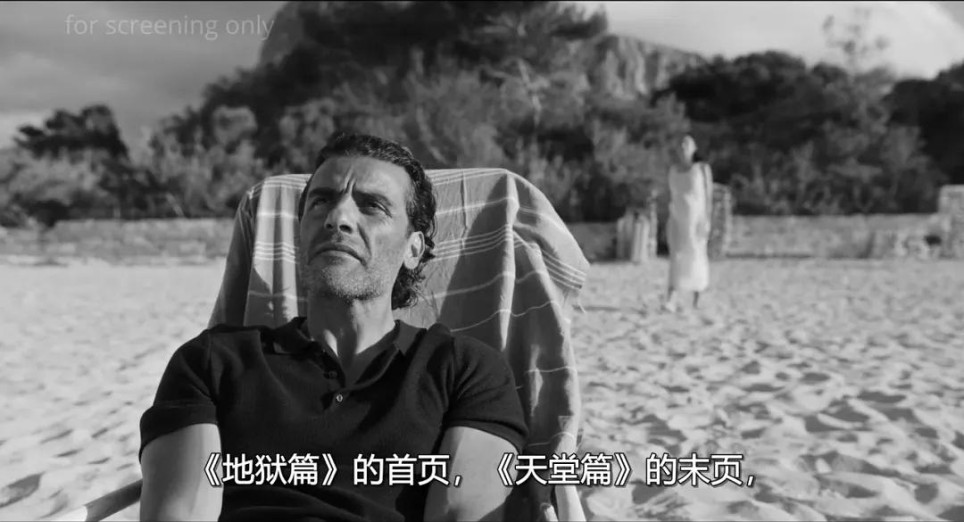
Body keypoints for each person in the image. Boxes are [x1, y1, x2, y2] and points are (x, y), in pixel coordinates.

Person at [139, 133, 528, 522]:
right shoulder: (214, 361)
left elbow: (463, 515)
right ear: (301, 233)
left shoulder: (465, 371)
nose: (337, 218)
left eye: (372, 206)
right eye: (321, 201)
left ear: (413, 249)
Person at [663, 135, 713, 312]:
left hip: (696, 220)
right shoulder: (673, 170)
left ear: (694, 148)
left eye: (687, 143)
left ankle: (697, 298)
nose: (683, 146)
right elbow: (670, 196)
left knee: (697, 255)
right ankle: (671, 298)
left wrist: (707, 220)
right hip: (677, 219)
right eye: (681, 143)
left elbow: (708, 197)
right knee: (676, 257)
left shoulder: (702, 169)